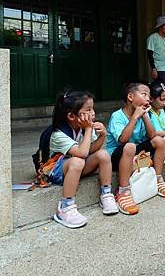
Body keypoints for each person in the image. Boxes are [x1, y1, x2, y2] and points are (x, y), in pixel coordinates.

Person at [49, 90, 118, 228]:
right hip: (56, 171)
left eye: (93, 108)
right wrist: (88, 130)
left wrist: (102, 136)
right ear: (71, 116)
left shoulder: (84, 128)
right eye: (88, 109)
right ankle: (65, 207)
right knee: (78, 160)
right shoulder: (58, 134)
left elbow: (91, 150)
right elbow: (82, 153)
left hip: (76, 166)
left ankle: (106, 194)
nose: (93, 113)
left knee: (103, 154)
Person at [106, 81, 165, 215]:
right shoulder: (117, 116)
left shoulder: (143, 114)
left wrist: (144, 117)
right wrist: (135, 117)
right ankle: (123, 191)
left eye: (148, 96)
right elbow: (123, 140)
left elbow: (152, 135)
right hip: (118, 157)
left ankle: (157, 179)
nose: (148, 98)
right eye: (144, 94)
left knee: (158, 141)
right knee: (130, 146)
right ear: (130, 97)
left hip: (137, 154)